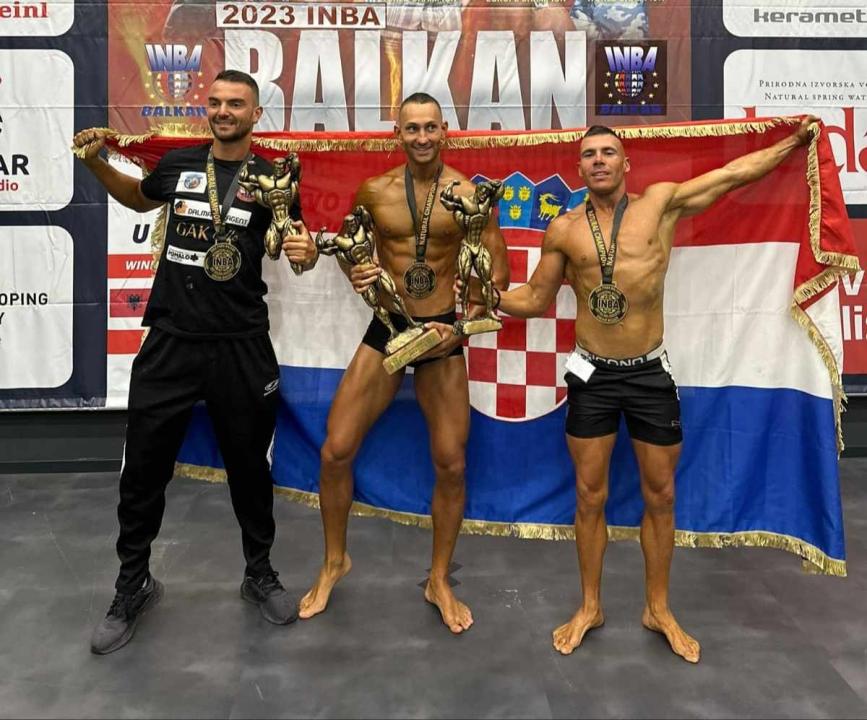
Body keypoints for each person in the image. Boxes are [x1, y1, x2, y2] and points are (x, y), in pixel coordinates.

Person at [461, 117, 817, 662]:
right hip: (592, 374)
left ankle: (658, 608)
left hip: (650, 373)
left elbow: (732, 176)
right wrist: (482, 295)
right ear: (578, 168)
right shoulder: (564, 229)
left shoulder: (660, 205)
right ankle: (590, 606)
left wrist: (792, 142)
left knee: (662, 494)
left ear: (627, 163)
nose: (599, 161)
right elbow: (533, 298)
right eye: (589, 155)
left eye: (608, 152)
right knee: (589, 495)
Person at [72, 69, 319, 654]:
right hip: (172, 340)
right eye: (215, 102)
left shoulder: (275, 175)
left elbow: (296, 247)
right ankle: (133, 583)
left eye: (236, 103)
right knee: (143, 470)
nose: (223, 111)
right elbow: (138, 197)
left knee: (250, 469)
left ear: (256, 114)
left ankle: (259, 572)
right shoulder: (179, 163)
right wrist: (95, 163)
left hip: (241, 343)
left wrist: (307, 250)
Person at [298, 92, 509, 633]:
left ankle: (439, 578)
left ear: (445, 131)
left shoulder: (469, 195)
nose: (421, 137)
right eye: (411, 128)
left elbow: (498, 275)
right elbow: (351, 248)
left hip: (441, 335)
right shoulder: (375, 191)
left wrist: (461, 322)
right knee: (335, 450)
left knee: (451, 462)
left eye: (430, 127)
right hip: (388, 329)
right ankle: (334, 561)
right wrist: (355, 273)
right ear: (398, 134)